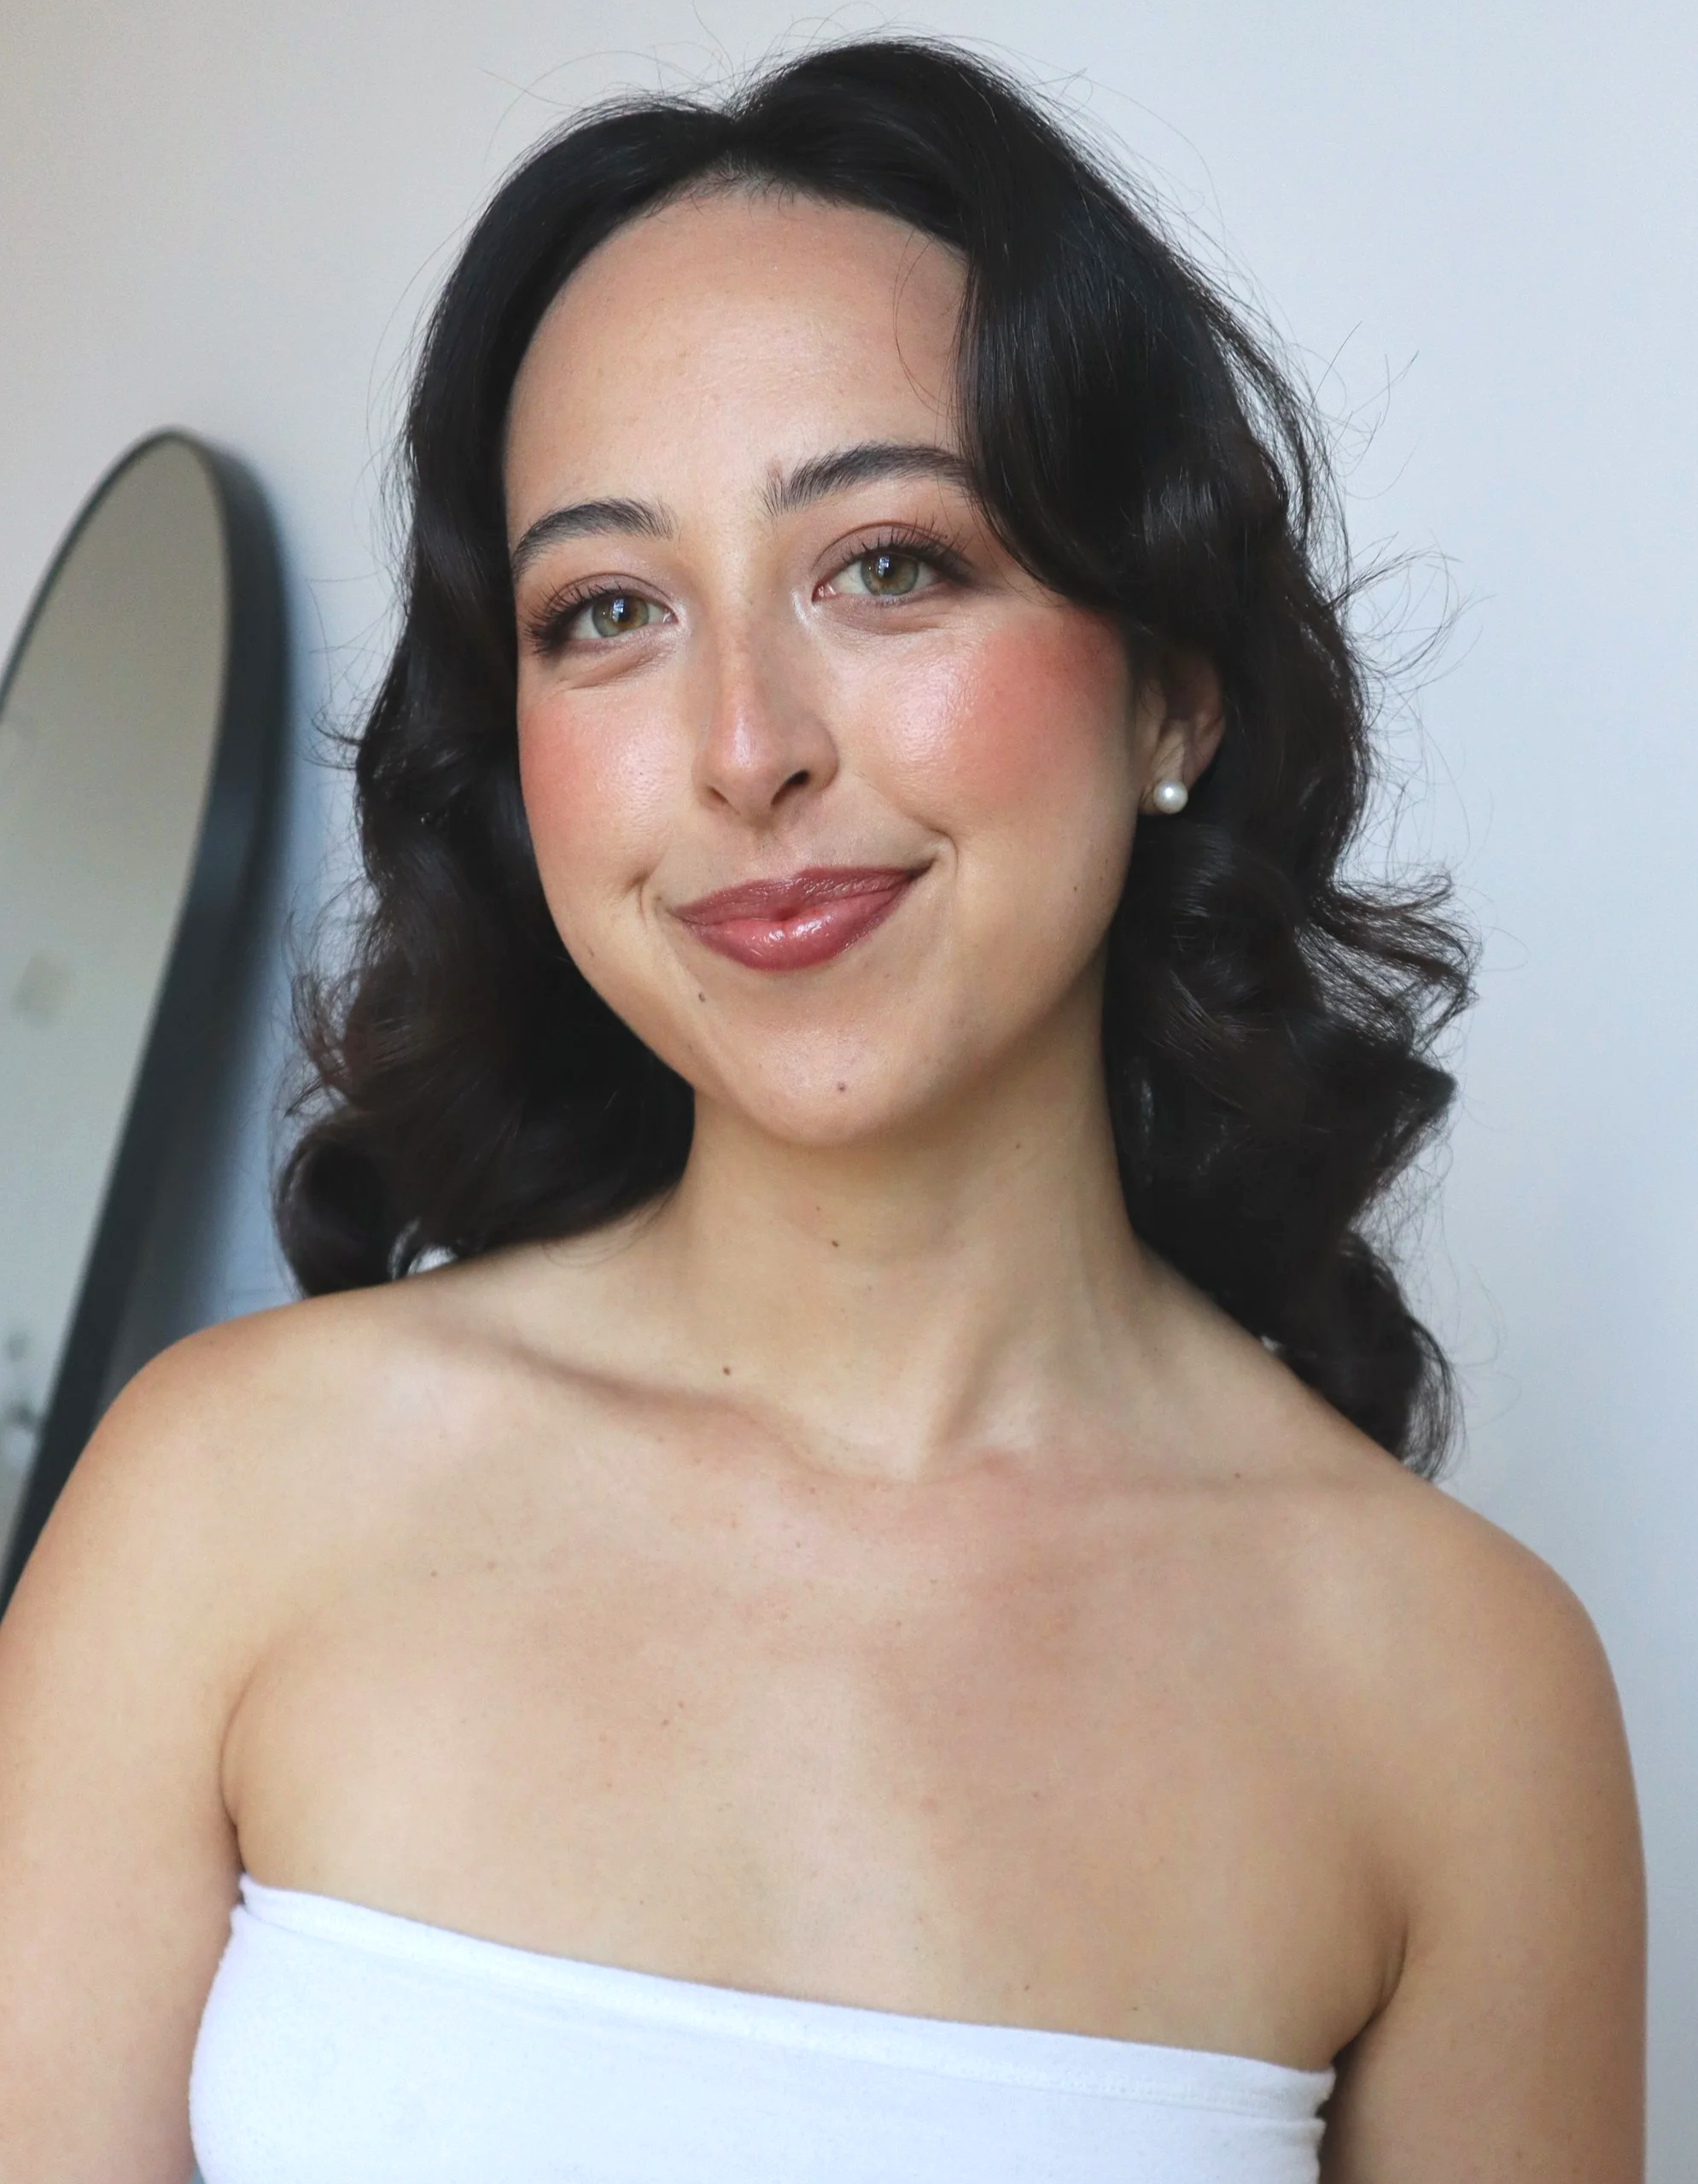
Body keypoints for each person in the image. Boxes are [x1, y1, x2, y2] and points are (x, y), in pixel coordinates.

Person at [0, 35, 1644, 2184]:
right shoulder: (221, 1502)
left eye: (885, 565)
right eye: (606, 611)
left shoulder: (1459, 1701)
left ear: (1170, 680)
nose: (744, 745)